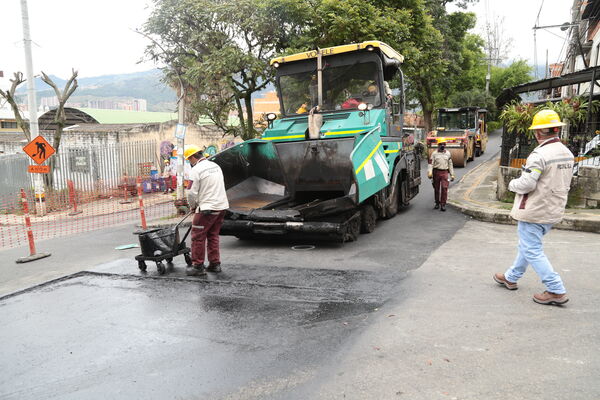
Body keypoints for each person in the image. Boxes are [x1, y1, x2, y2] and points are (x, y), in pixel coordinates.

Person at [494, 109, 574, 306]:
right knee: (528, 247)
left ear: (538, 133)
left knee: (532, 249)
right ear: (556, 130)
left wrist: (511, 184)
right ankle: (511, 277)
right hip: (553, 209)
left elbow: (528, 184)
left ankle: (556, 289)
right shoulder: (567, 153)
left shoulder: (539, 155)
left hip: (535, 210)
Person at [184, 145, 229, 276]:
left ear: (192, 157)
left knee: (197, 236)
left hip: (207, 208)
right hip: (221, 206)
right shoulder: (216, 166)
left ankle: (197, 266)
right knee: (213, 235)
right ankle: (215, 264)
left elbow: (191, 193)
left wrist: (192, 206)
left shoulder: (196, 170)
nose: (189, 162)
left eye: (188, 159)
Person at [428, 139, 455, 211]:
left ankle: (443, 204)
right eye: (440, 144)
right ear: (438, 145)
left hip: (445, 172)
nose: (442, 145)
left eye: (443, 144)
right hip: (436, 172)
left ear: (445, 145)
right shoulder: (434, 154)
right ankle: (437, 203)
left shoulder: (448, 153)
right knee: (436, 189)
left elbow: (450, 164)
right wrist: (430, 172)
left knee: (444, 188)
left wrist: (452, 174)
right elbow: (431, 164)